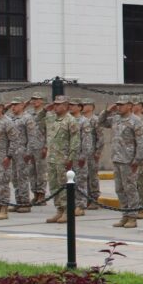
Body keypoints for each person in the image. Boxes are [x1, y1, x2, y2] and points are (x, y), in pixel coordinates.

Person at [100, 96, 143, 228]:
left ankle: (132, 217)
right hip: (117, 158)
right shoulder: (116, 119)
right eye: (118, 105)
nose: (118, 107)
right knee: (119, 189)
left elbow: (141, 142)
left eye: (122, 105)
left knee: (130, 189)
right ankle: (124, 215)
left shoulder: (136, 121)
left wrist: (137, 159)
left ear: (130, 106)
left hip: (129, 160)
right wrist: (108, 110)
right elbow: (101, 122)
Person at [41, 96, 80, 224]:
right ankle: (59, 209)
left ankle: (67, 211)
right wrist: (46, 108)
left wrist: (71, 158)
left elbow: (75, 141)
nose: (56, 106)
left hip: (63, 159)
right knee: (54, 186)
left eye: (59, 104)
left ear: (66, 106)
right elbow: (37, 120)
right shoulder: (51, 118)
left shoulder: (71, 120)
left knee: (64, 186)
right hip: (52, 158)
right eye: (55, 104)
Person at [5, 98, 37, 212]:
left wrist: (29, 152)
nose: (13, 107)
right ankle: (18, 201)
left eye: (16, 105)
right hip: (12, 151)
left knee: (22, 177)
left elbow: (32, 137)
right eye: (12, 105)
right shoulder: (9, 118)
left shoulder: (27, 118)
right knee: (15, 177)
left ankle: (25, 202)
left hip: (22, 151)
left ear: (23, 105)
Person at [68, 98, 92, 216]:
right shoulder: (67, 120)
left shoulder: (84, 121)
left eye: (73, 105)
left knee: (80, 181)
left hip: (79, 156)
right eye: (70, 105)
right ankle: (71, 204)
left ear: (80, 107)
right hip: (68, 156)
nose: (70, 107)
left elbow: (87, 140)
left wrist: (83, 156)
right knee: (68, 181)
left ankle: (80, 205)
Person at [25, 92, 48, 205]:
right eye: (33, 99)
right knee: (31, 171)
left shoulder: (47, 114)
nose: (35, 101)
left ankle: (41, 195)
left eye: (38, 99)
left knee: (41, 172)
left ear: (42, 101)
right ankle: (34, 193)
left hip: (40, 145)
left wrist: (46, 147)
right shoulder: (28, 113)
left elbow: (49, 132)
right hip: (30, 146)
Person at [83, 99, 103, 209]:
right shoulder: (80, 120)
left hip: (92, 153)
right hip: (82, 153)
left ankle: (94, 199)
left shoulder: (96, 120)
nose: (83, 107)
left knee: (92, 176)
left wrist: (98, 152)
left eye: (85, 105)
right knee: (82, 176)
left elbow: (100, 137)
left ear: (91, 106)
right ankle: (85, 198)